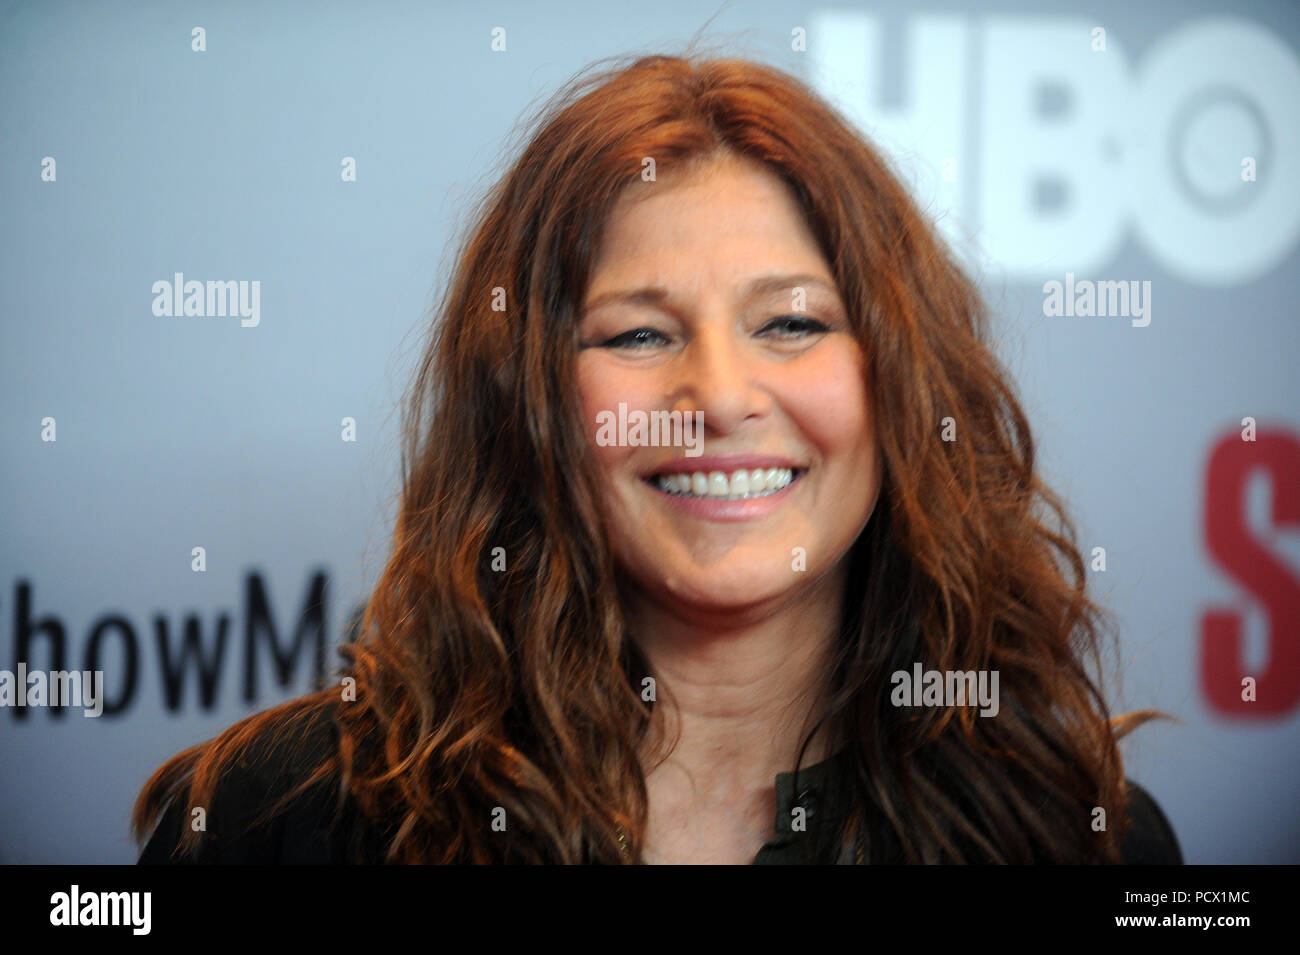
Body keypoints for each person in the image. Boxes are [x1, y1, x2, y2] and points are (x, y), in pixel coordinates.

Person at [135, 52, 1182, 865]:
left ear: (900, 382)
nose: (720, 398)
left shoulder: (1076, 836)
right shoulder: (288, 818)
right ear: (532, 400)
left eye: (792, 324)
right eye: (637, 335)